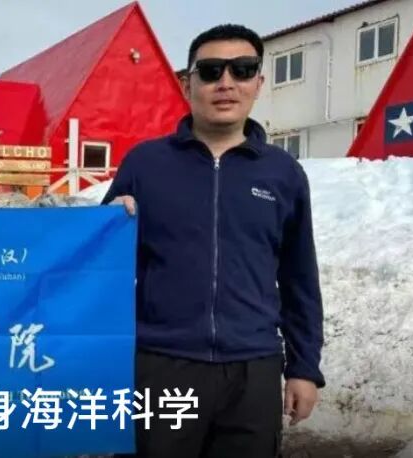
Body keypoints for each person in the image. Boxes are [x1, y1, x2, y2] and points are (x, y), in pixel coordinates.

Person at [104, 24, 324, 457]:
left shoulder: (283, 174)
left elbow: (299, 277)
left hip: (253, 370)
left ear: (258, 82)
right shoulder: (145, 164)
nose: (226, 83)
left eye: (242, 70)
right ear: (187, 85)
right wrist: (112, 222)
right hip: (161, 364)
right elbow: (100, 266)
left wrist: (304, 368)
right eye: (210, 71)